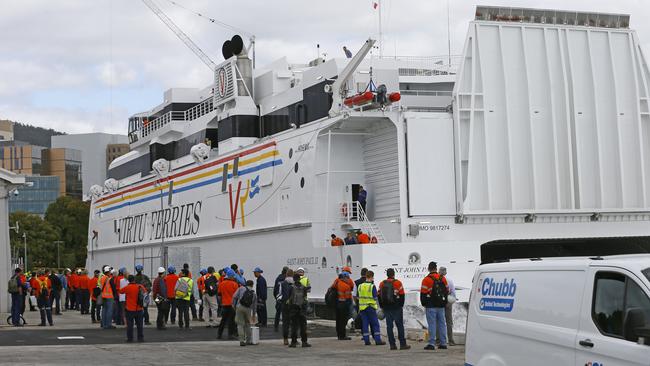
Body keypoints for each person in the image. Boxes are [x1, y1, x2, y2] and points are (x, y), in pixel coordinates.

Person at [379, 268, 410, 350]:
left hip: (386, 308)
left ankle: (392, 345)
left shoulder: (382, 283)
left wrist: (382, 306)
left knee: (389, 326)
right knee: (399, 325)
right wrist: (401, 305)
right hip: (397, 307)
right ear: (393, 274)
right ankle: (402, 344)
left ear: (387, 275)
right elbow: (402, 295)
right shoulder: (398, 283)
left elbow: (379, 296)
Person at [420, 261, 449, 350]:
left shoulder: (426, 279)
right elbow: (447, 290)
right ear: (436, 268)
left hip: (431, 306)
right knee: (442, 324)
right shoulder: (442, 278)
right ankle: (443, 343)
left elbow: (423, 293)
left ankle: (431, 344)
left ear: (429, 269)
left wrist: (424, 304)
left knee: (432, 324)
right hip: (441, 305)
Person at [356, 270, 385, 345]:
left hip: (362, 308)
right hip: (371, 307)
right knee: (375, 324)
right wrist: (379, 308)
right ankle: (378, 340)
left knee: (365, 324)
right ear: (371, 277)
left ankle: (366, 341)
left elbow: (358, 297)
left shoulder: (360, 286)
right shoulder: (372, 286)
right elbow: (375, 298)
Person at [287, 273, 311, 348]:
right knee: (303, 326)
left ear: (294, 279)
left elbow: (289, 298)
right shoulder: (303, 287)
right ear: (300, 279)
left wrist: (289, 308)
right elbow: (305, 298)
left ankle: (293, 342)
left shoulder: (291, 287)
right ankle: (304, 342)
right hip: (302, 309)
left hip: (294, 308)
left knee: (294, 326)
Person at [119, 275, 145, 342]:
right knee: (140, 325)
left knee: (130, 325)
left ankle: (130, 338)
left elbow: (120, 291)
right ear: (134, 280)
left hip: (130, 309)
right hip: (139, 309)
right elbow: (145, 292)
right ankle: (140, 338)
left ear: (129, 280)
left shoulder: (128, 287)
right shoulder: (140, 286)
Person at [331, 270, 354, 340]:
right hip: (344, 305)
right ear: (344, 278)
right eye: (347, 278)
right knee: (343, 321)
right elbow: (348, 297)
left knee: (338, 320)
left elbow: (332, 287)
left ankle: (339, 335)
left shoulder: (337, 282)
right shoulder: (346, 286)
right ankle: (343, 336)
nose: (348, 279)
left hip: (337, 304)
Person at [217, 268, 240, 339]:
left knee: (223, 320)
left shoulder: (221, 284)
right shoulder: (235, 284)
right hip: (232, 305)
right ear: (231, 276)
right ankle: (231, 334)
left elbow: (219, 295)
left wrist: (221, 303)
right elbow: (237, 296)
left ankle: (219, 334)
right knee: (232, 321)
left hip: (224, 305)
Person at [233, 279, 257, 346]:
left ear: (246, 284)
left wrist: (234, 306)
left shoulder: (241, 288)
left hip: (240, 307)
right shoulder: (253, 293)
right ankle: (248, 340)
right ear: (252, 285)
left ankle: (241, 340)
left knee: (240, 324)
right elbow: (254, 306)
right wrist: (254, 315)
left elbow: (234, 297)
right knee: (248, 324)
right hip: (248, 309)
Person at [439, 266, 456, 346]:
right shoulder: (449, 280)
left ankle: (439, 340)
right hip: (448, 302)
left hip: (439, 303)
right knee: (449, 322)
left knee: (439, 322)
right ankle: (451, 340)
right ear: (446, 272)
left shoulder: (437, 280)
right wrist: (451, 302)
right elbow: (453, 292)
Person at [279, 269, 295, 345]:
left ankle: (285, 339)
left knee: (285, 323)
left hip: (285, 305)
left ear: (286, 275)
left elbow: (279, 295)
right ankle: (294, 339)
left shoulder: (282, 283)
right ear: (293, 275)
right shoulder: (295, 283)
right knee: (294, 323)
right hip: (294, 305)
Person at [99, 265, 116, 330]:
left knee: (104, 310)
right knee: (109, 311)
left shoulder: (102, 278)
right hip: (109, 296)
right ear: (108, 271)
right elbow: (113, 288)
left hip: (103, 296)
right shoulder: (109, 279)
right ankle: (108, 324)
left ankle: (103, 324)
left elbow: (100, 287)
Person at [273, 266, 288, 332]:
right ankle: (285, 327)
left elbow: (275, 289)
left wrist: (276, 297)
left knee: (278, 313)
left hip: (278, 299)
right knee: (285, 315)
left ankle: (276, 327)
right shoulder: (287, 279)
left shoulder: (278, 278)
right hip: (285, 299)